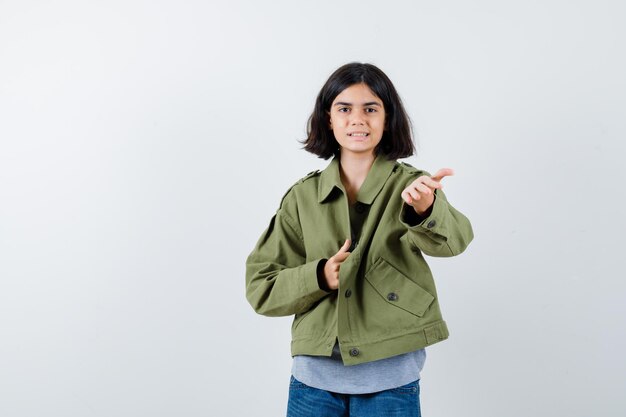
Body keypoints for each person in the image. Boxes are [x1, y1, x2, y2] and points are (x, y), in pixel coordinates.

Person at [245, 62, 473, 417]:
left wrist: (425, 210)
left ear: (387, 117)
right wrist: (319, 276)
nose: (357, 119)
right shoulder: (302, 197)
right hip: (313, 380)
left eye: (370, 108)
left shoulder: (413, 186)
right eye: (344, 108)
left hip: (391, 377)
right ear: (328, 118)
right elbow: (261, 287)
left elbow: (454, 242)